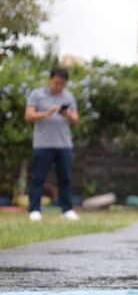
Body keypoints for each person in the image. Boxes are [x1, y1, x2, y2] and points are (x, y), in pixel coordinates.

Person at [24, 67, 80, 221]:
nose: (59, 86)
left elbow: (76, 119)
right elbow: (28, 115)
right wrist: (46, 113)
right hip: (43, 144)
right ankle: (34, 210)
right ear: (50, 79)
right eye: (57, 82)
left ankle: (67, 209)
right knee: (38, 178)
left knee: (65, 178)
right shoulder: (37, 95)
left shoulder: (68, 97)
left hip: (64, 144)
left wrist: (66, 114)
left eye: (62, 84)